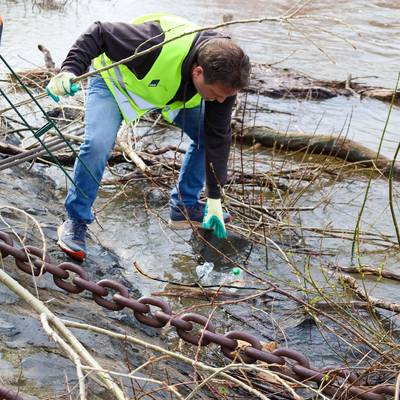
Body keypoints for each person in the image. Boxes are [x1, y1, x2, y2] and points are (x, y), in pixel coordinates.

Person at [46, 13, 251, 261]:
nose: (220, 101)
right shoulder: (154, 44)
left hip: (172, 95)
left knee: (207, 138)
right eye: (217, 94)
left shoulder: (223, 82)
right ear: (198, 72)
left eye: (225, 97)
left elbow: (218, 137)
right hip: (116, 86)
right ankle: (76, 220)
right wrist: (69, 70)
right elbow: (99, 32)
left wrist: (214, 199)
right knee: (98, 144)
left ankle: (185, 206)